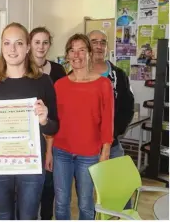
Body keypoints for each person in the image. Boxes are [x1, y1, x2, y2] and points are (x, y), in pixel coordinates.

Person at [0, 22, 59, 220]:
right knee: (4, 215)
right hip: (0, 163)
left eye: (18, 43)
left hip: (31, 166)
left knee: (28, 216)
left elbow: (54, 126)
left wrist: (45, 120)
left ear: (28, 47)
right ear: (1, 47)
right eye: (7, 43)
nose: (12, 49)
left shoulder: (43, 81)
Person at [52, 33, 114, 220]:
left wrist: (105, 151)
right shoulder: (60, 85)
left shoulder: (103, 84)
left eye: (81, 50)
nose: (76, 55)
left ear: (89, 53)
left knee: (86, 203)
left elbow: (108, 120)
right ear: (67, 55)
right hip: (61, 152)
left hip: (88, 154)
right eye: (72, 50)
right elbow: (55, 120)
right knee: (61, 202)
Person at [88, 29, 134, 208]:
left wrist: (111, 135)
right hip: (85, 146)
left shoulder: (119, 76)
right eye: (94, 41)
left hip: (112, 144)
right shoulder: (76, 75)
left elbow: (127, 107)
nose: (99, 46)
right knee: (87, 196)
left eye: (103, 42)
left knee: (121, 192)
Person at [29, 26, 66, 220]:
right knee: (27, 192)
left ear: (50, 45)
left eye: (45, 42)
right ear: (29, 44)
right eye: (37, 42)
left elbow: (60, 107)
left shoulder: (58, 71)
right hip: (27, 140)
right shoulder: (20, 69)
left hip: (52, 136)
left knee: (49, 185)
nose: (41, 47)